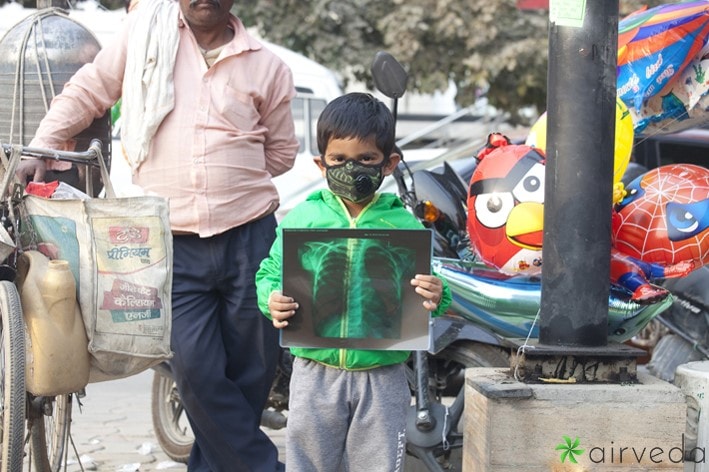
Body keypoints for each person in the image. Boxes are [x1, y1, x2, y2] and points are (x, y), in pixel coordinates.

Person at [16, 0, 300, 469]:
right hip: (170, 241)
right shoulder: (147, 33)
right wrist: (42, 145)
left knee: (251, 374)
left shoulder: (268, 67)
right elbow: (90, 89)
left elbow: (282, 154)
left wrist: (229, 171)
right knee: (195, 370)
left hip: (252, 238)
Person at [255, 92, 452, 471]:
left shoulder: (405, 226)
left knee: (377, 464)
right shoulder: (302, 220)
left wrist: (437, 294)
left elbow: (431, 286)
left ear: (389, 164)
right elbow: (269, 274)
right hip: (315, 373)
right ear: (321, 164)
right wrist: (272, 298)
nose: (352, 168)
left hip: (383, 375)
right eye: (339, 160)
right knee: (308, 462)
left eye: (366, 159)